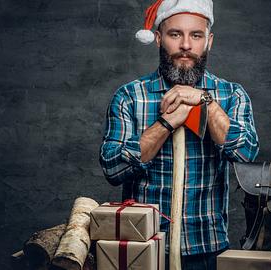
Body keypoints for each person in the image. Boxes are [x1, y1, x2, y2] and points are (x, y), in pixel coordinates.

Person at [99, 0, 259, 268]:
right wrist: (165, 124)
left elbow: (244, 153)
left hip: (208, 249)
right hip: (143, 249)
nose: (186, 45)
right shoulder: (130, 96)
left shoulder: (231, 95)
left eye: (195, 35)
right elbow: (113, 169)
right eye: (175, 34)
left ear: (209, 41)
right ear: (159, 39)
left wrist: (204, 102)